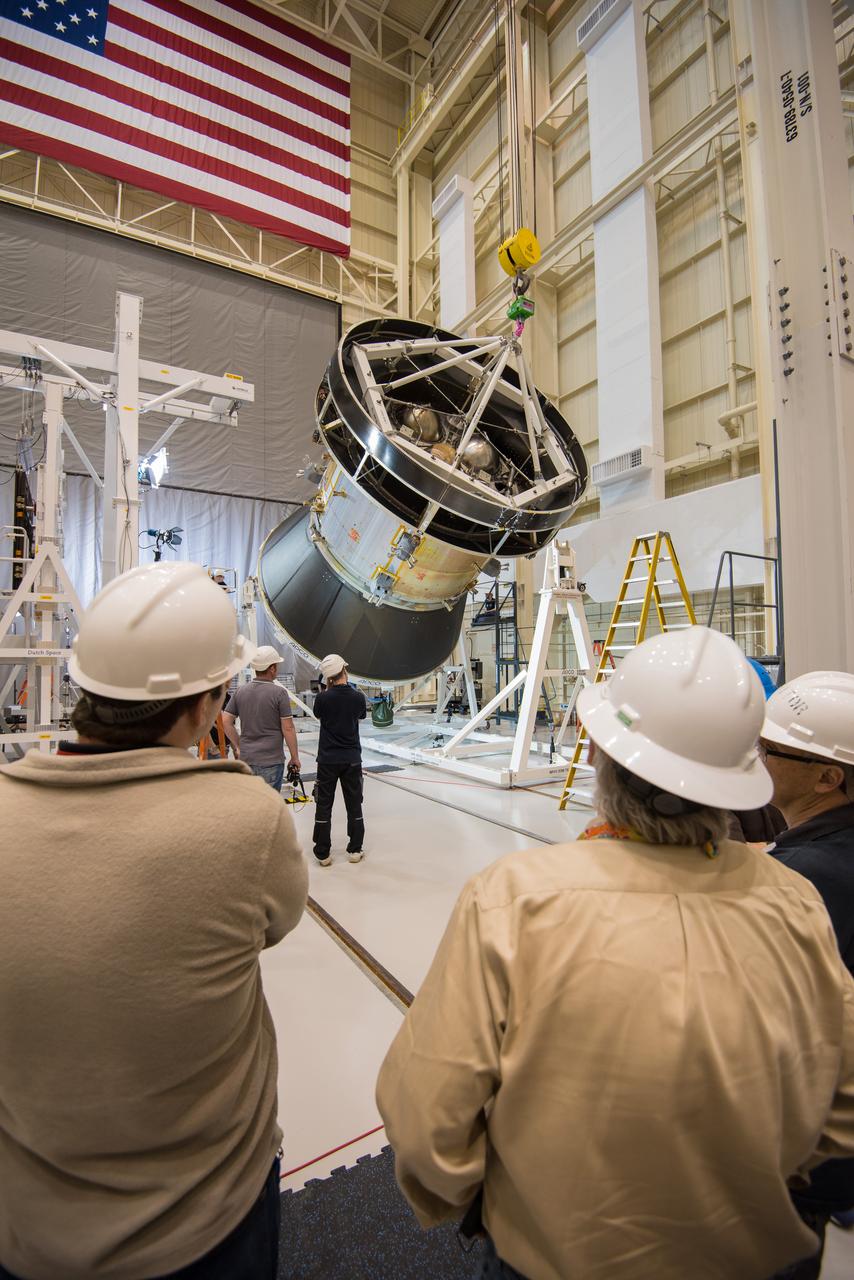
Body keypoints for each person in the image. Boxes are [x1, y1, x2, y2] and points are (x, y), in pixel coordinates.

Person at [376, 627, 854, 1280]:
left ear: (597, 747)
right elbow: (845, 1101)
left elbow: (427, 1118)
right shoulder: (794, 901)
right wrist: (770, 1177)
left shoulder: (516, 899)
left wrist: (494, 1204)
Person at [0, 562, 308, 1280]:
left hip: (30, 1223)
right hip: (208, 1223)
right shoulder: (242, 820)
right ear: (207, 705)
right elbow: (278, 920)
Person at [760, 670, 854, 1277]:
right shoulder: (818, 857)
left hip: (801, 1159)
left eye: (772, 750)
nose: (757, 755)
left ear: (828, 776)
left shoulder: (806, 882)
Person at [312, 653, 367, 866]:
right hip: (352, 758)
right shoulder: (357, 697)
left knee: (324, 804)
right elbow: (361, 716)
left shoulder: (323, 698)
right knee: (354, 803)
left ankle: (323, 853)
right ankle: (355, 849)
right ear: (344, 670)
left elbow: (319, 714)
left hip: (327, 759)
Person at [222, 644, 301, 792]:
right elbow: (288, 728)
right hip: (271, 761)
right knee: (270, 808)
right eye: (276, 665)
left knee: (251, 804)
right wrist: (294, 757)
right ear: (272, 668)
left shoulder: (240, 691)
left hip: (246, 760)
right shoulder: (279, 693)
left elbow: (226, 721)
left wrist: (239, 745)